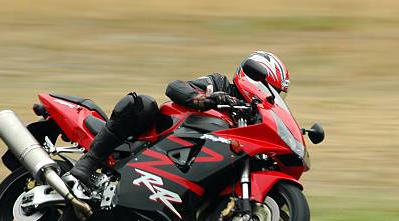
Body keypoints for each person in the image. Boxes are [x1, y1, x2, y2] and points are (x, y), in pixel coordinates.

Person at [71, 51, 290, 187]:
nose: (271, 97)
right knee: (143, 104)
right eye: (270, 89)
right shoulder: (219, 84)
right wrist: (203, 99)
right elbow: (174, 87)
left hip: (194, 163)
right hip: (159, 138)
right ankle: (89, 162)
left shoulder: (252, 119)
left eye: (277, 95)